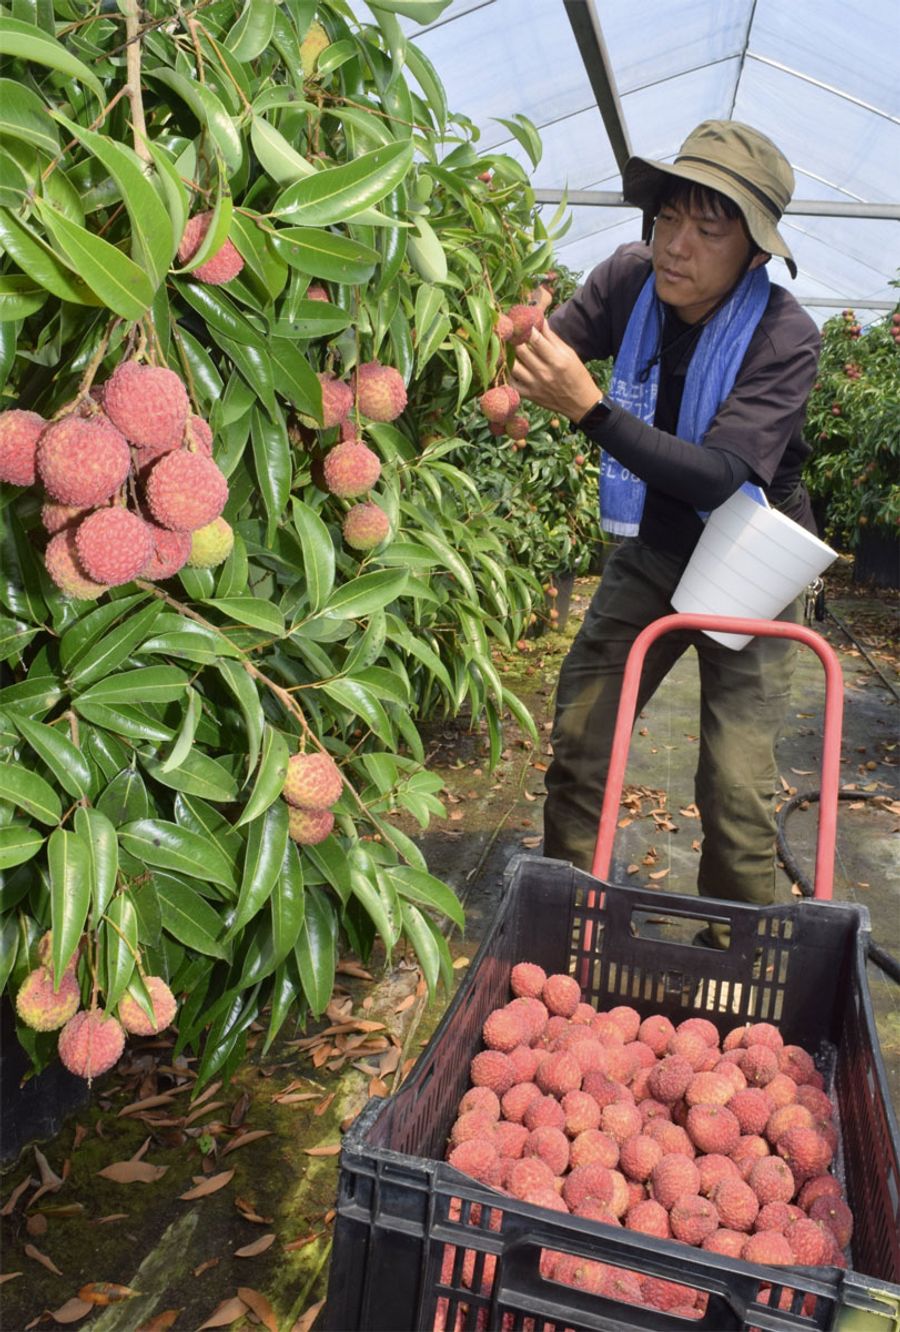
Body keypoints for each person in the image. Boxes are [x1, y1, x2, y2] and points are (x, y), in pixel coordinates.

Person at [511, 120, 821, 946]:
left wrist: (590, 409)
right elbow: (545, 354)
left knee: (735, 785)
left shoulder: (785, 336)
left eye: (708, 230)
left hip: (751, 557)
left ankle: (736, 954)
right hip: (654, 547)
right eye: (667, 220)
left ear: (754, 252)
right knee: (583, 739)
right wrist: (505, 372)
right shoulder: (626, 280)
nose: (676, 246)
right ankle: (571, 937)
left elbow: (721, 475)